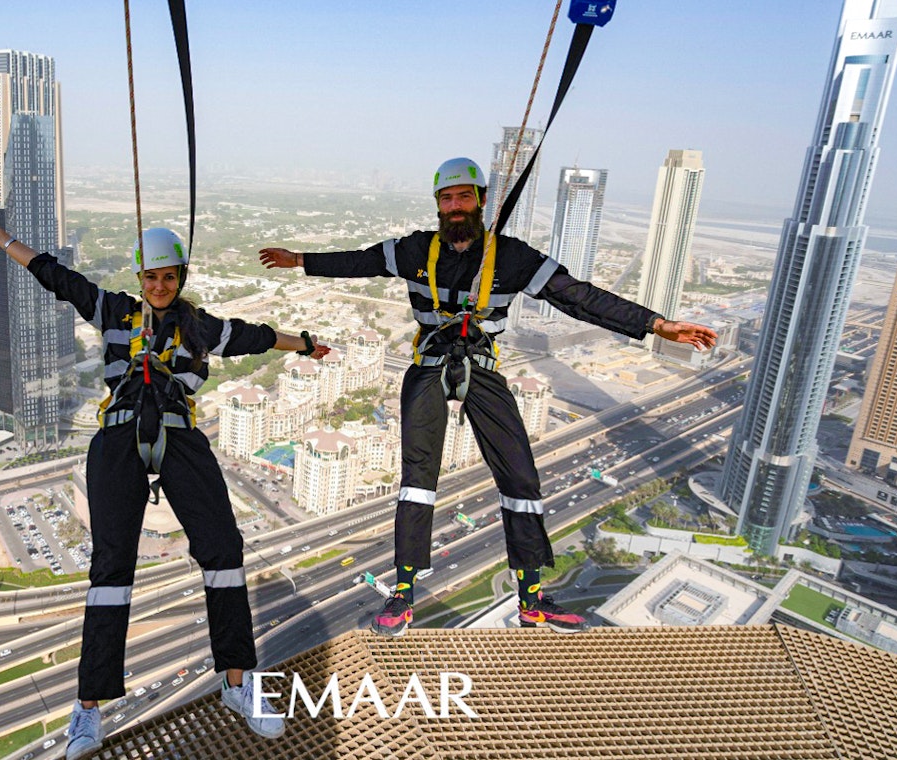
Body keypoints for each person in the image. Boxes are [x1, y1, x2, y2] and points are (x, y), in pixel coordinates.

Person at [260, 157, 717, 638]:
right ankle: (403, 594)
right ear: (438, 206)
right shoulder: (414, 250)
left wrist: (655, 325)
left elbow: (578, 296)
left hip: (480, 366)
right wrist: (301, 261)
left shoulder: (512, 257)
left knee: (520, 476)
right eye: (446, 199)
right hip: (430, 364)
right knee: (418, 479)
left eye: (463, 197)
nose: (454, 207)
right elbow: (358, 261)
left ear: (480, 202)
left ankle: (532, 599)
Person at [0, 219, 329, 759]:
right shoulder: (114, 311)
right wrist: (0, 240)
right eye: (151, 276)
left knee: (224, 551)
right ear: (140, 277)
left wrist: (308, 344)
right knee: (111, 567)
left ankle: (236, 680)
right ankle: (88, 708)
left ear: (180, 277)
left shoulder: (201, 328)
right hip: (119, 435)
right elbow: (56, 276)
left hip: (180, 437)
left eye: (168, 276)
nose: (159, 285)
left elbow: (259, 336)